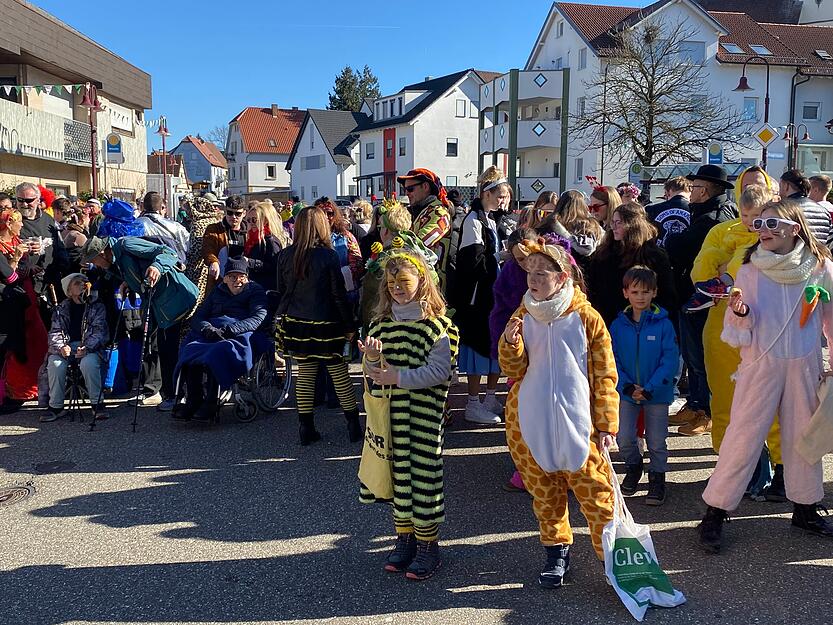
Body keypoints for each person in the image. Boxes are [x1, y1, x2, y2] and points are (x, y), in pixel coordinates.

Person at [697, 200, 833, 552]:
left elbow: (831, 320)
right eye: (759, 224)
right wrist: (741, 312)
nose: (763, 230)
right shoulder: (750, 269)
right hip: (761, 365)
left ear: (794, 228)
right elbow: (740, 325)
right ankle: (715, 510)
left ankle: (805, 507)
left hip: (804, 365)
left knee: (803, 438)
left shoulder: (820, 266)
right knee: (742, 436)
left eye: (772, 223)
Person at [499, 239, 618, 588]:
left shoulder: (586, 316)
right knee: (545, 495)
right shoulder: (522, 314)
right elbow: (512, 369)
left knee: (597, 494)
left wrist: (607, 423)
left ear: (562, 276)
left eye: (542, 274)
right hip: (530, 421)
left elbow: (605, 373)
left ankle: (612, 557)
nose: (533, 280)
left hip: (578, 423)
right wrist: (510, 343)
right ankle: (556, 552)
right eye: (530, 273)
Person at [358, 251, 459, 581]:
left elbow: (440, 371)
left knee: (425, 479)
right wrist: (372, 358)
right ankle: (405, 538)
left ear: (423, 283)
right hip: (391, 419)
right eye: (392, 284)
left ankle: (429, 543)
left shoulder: (438, 327)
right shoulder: (380, 325)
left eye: (404, 281)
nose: (398, 288)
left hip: (424, 419)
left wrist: (398, 377)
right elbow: (373, 372)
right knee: (399, 476)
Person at [684, 184, 785, 494]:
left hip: (765, 328)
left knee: (773, 402)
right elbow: (701, 268)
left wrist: (730, 267)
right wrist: (716, 271)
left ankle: (782, 467)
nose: (752, 222)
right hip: (722, 325)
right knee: (724, 399)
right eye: (746, 214)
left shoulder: (778, 233)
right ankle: (728, 467)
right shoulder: (721, 231)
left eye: (758, 215)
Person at [276, 207, 360, 445]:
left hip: (297, 322)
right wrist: (350, 325)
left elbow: (282, 290)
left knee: (305, 374)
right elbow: (338, 294)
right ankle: (353, 425)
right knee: (339, 373)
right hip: (327, 322)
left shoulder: (285, 255)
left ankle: (306, 427)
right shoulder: (328, 256)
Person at [82, 235, 198, 407]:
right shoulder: (115, 259)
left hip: (174, 300)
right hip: (158, 304)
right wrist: (128, 283)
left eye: (94, 260)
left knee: (168, 348)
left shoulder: (126, 245)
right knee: (154, 346)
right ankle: (161, 393)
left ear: (102, 253)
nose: (95, 264)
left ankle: (175, 396)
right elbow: (135, 271)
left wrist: (157, 266)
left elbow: (168, 252)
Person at [665, 165, 737, 432]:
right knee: (694, 355)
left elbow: (681, 248)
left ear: (704, 191)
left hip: (703, 298)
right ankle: (696, 403)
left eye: (694, 187)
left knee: (699, 356)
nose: (691, 191)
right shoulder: (712, 212)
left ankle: (704, 411)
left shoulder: (711, 218)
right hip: (697, 295)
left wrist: (671, 240)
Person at [610, 266, 678, 505]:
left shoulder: (664, 325)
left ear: (654, 292)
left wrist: (650, 387)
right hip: (627, 392)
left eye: (646, 292)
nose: (640, 297)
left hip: (656, 393)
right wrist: (626, 386)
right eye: (635, 291)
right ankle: (634, 465)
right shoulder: (617, 326)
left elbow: (670, 359)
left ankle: (657, 477)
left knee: (657, 440)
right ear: (625, 293)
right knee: (624, 437)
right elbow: (612, 359)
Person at [173, 257, 267, 422]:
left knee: (217, 352)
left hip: (240, 332)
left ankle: (211, 401)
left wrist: (231, 330)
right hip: (213, 331)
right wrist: (206, 328)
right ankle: (194, 399)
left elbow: (258, 317)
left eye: (242, 276)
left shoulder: (255, 290)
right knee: (189, 349)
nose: (237, 280)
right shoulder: (217, 291)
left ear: (247, 277)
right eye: (232, 276)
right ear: (225, 278)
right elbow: (199, 316)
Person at [453, 166, 507, 424]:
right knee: (477, 348)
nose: (503, 200)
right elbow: (471, 264)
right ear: (487, 194)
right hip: (476, 300)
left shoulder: (490, 219)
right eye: (500, 195)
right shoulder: (473, 221)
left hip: (491, 295)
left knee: (494, 346)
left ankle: (490, 397)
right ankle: (473, 403)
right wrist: (500, 256)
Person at [586, 203, 676, 326]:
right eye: (613, 222)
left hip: (645, 323)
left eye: (619, 223)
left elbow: (667, 295)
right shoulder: (604, 254)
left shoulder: (653, 256)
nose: (614, 227)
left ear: (632, 225)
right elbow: (593, 288)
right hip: (608, 321)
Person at [43, 273, 109, 422]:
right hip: (67, 346)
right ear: (69, 290)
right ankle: (56, 406)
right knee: (55, 363)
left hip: (89, 347)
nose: (83, 285)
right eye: (77, 283)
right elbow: (55, 331)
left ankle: (97, 404)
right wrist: (61, 347)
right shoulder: (61, 308)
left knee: (89, 363)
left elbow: (99, 331)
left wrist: (87, 347)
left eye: (85, 282)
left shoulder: (97, 306)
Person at [0, 207, 48, 405]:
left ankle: (37, 385)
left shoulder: (16, 240)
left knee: (38, 341)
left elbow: (21, 270)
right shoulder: (1, 246)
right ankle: (16, 390)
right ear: (8, 224)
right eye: (18, 221)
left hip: (27, 297)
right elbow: (9, 277)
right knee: (17, 345)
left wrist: (31, 266)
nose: (22, 224)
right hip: (9, 300)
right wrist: (17, 258)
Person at [16, 182, 69, 318]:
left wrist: (65, 270)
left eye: (29, 200)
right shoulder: (13, 221)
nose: (24, 204)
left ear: (38, 200)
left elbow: (59, 247)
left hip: (50, 282)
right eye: (20, 200)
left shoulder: (47, 219)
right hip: (25, 285)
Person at [397, 169, 453, 291]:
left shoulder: (439, 213)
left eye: (410, 189)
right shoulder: (421, 212)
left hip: (432, 287)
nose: (407, 193)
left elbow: (416, 246)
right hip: (417, 283)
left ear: (426, 187)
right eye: (404, 189)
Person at [537, 190, 602, 269]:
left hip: (553, 269)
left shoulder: (548, 224)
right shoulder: (591, 226)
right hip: (586, 270)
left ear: (559, 204)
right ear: (583, 206)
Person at [315, 197, 362, 300]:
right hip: (317, 295)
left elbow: (357, 264)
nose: (326, 217)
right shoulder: (309, 239)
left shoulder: (345, 237)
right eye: (321, 214)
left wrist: (339, 276)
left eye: (330, 213)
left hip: (344, 292)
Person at [183, 196, 222, 315]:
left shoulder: (198, 224)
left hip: (198, 269)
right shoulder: (215, 221)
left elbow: (195, 250)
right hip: (212, 266)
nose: (187, 212)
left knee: (195, 301)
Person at [203, 195, 247, 293]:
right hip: (221, 280)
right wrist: (213, 262)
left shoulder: (249, 231)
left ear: (244, 213)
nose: (233, 217)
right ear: (225, 211)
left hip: (242, 281)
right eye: (230, 213)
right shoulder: (214, 229)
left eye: (238, 214)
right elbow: (208, 249)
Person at [779, 169, 831, 247]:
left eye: (780, 186)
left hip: (795, 254)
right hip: (818, 253)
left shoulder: (783, 209)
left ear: (786, 186)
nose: (779, 192)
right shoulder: (824, 211)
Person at [243, 200, 289, 290]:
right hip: (254, 286)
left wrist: (250, 262)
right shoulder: (253, 239)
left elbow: (274, 267)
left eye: (254, 220)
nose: (251, 223)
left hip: (266, 289)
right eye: (248, 220)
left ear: (266, 220)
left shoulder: (270, 240)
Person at [138, 191, 190, 261]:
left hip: (141, 265)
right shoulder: (175, 227)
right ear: (161, 207)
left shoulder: (134, 226)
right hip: (170, 264)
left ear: (143, 206)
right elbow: (187, 247)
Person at [647, 177, 691, 248]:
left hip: (658, 252)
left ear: (668, 192)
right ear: (690, 192)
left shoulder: (652, 209)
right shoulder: (696, 210)